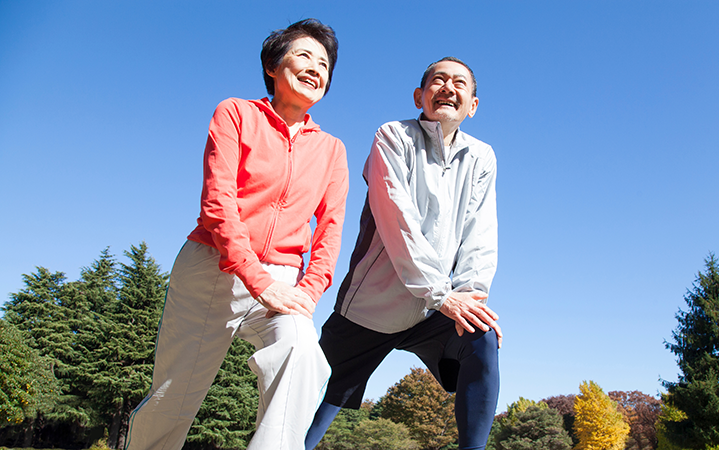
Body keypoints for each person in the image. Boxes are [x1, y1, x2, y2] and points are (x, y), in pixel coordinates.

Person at [125, 18, 348, 450]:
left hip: (285, 280)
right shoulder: (236, 113)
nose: (315, 67)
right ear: (272, 65)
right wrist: (254, 277)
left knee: (303, 356)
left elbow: (330, 229)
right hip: (214, 267)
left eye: (324, 63)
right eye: (303, 55)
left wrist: (310, 290)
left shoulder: (332, 149)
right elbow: (217, 202)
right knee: (174, 397)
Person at [305, 57, 501, 450]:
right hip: (372, 306)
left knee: (483, 337)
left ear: (473, 105)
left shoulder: (482, 157)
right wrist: (442, 294)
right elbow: (397, 218)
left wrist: (470, 295)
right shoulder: (393, 135)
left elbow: (479, 232)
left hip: (436, 311)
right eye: (438, 80)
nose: (448, 87)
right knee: (310, 404)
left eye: (459, 83)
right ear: (419, 96)